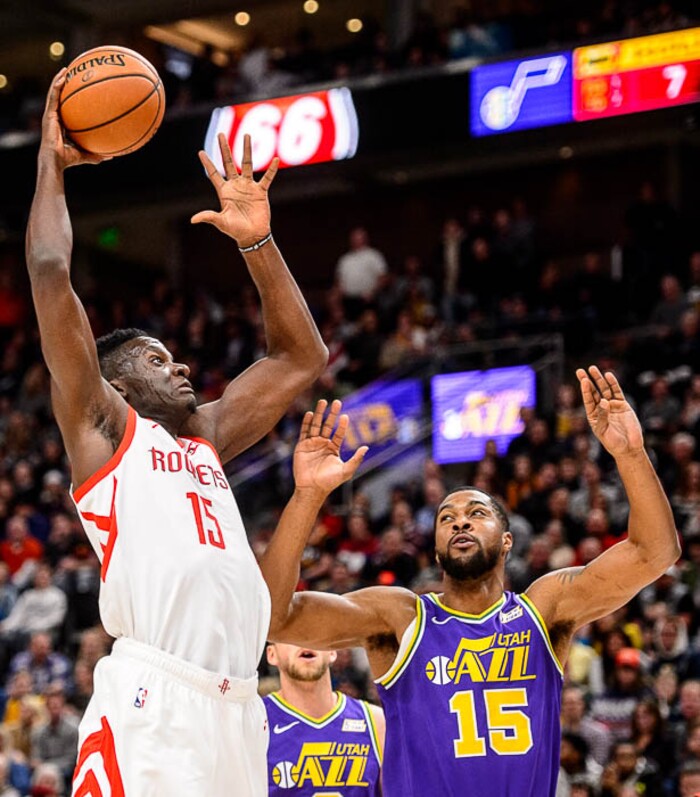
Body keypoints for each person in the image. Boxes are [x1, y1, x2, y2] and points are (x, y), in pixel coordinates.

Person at [26, 69, 327, 796]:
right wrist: (52, 164)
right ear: (122, 386)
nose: (183, 363)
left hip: (240, 706)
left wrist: (259, 245)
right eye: (160, 360)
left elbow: (301, 357)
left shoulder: (207, 436)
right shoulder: (104, 428)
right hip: (153, 700)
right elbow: (47, 266)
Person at [263, 368, 680, 796]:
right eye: (447, 518)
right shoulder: (399, 617)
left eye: (476, 513)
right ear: (436, 547)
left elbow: (656, 553)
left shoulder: (545, 609)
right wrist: (308, 496)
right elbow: (275, 618)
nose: (460, 520)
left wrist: (631, 454)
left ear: (506, 541)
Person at [264, 642, 383, 795]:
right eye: (291, 637)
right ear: (272, 654)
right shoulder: (255, 723)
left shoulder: (377, 722)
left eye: (313, 633)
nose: (305, 641)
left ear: (332, 651)